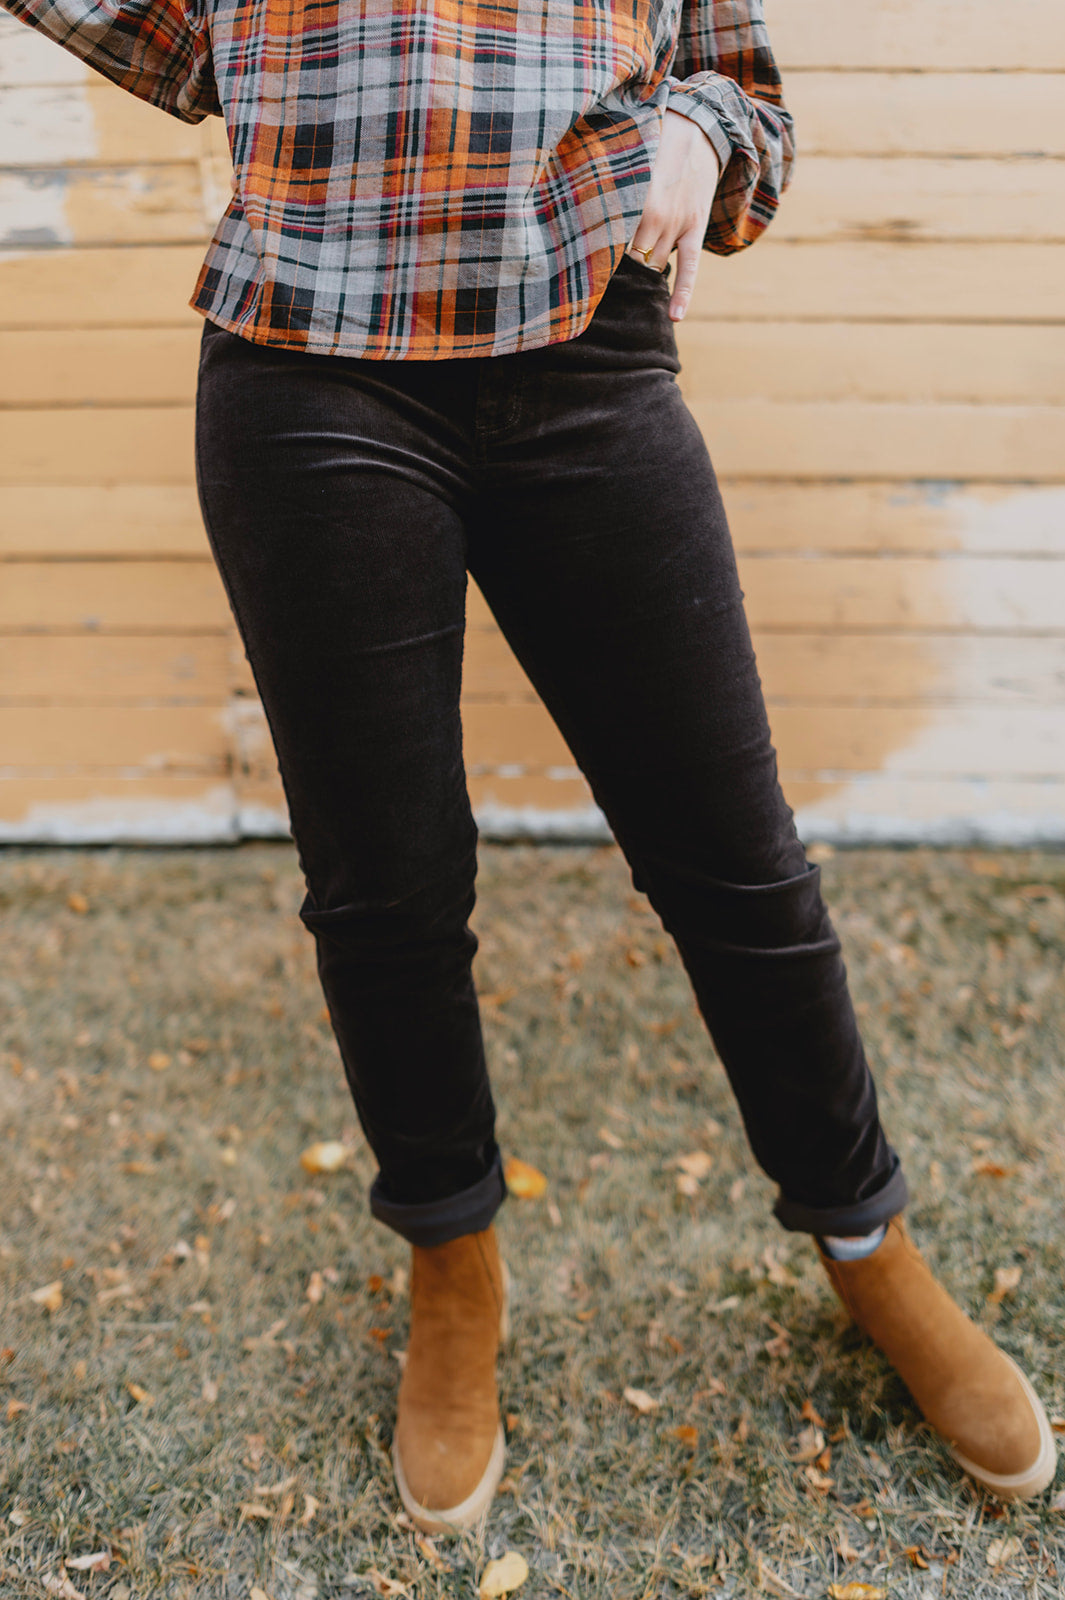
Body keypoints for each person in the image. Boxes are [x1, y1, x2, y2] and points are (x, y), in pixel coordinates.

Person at [5, 0, 1056, 1537]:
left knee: (734, 859)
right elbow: (179, 36)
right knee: (385, 888)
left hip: (586, 353)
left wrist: (698, 128)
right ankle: (452, 1263)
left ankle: (865, 1244)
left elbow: (741, 89)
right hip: (311, 365)